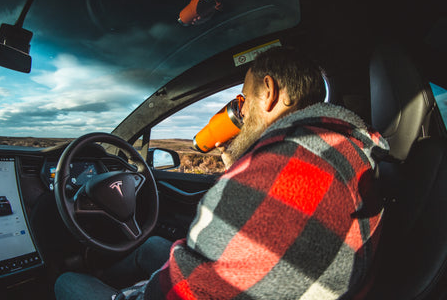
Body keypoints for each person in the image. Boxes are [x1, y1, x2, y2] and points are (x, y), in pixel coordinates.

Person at [55, 46, 389, 299]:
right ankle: (100, 267)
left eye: (242, 100)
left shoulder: (272, 173)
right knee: (152, 245)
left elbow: (184, 291)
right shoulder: (350, 147)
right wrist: (242, 164)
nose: (238, 112)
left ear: (269, 92)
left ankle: (92, 271)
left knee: (66, 282)